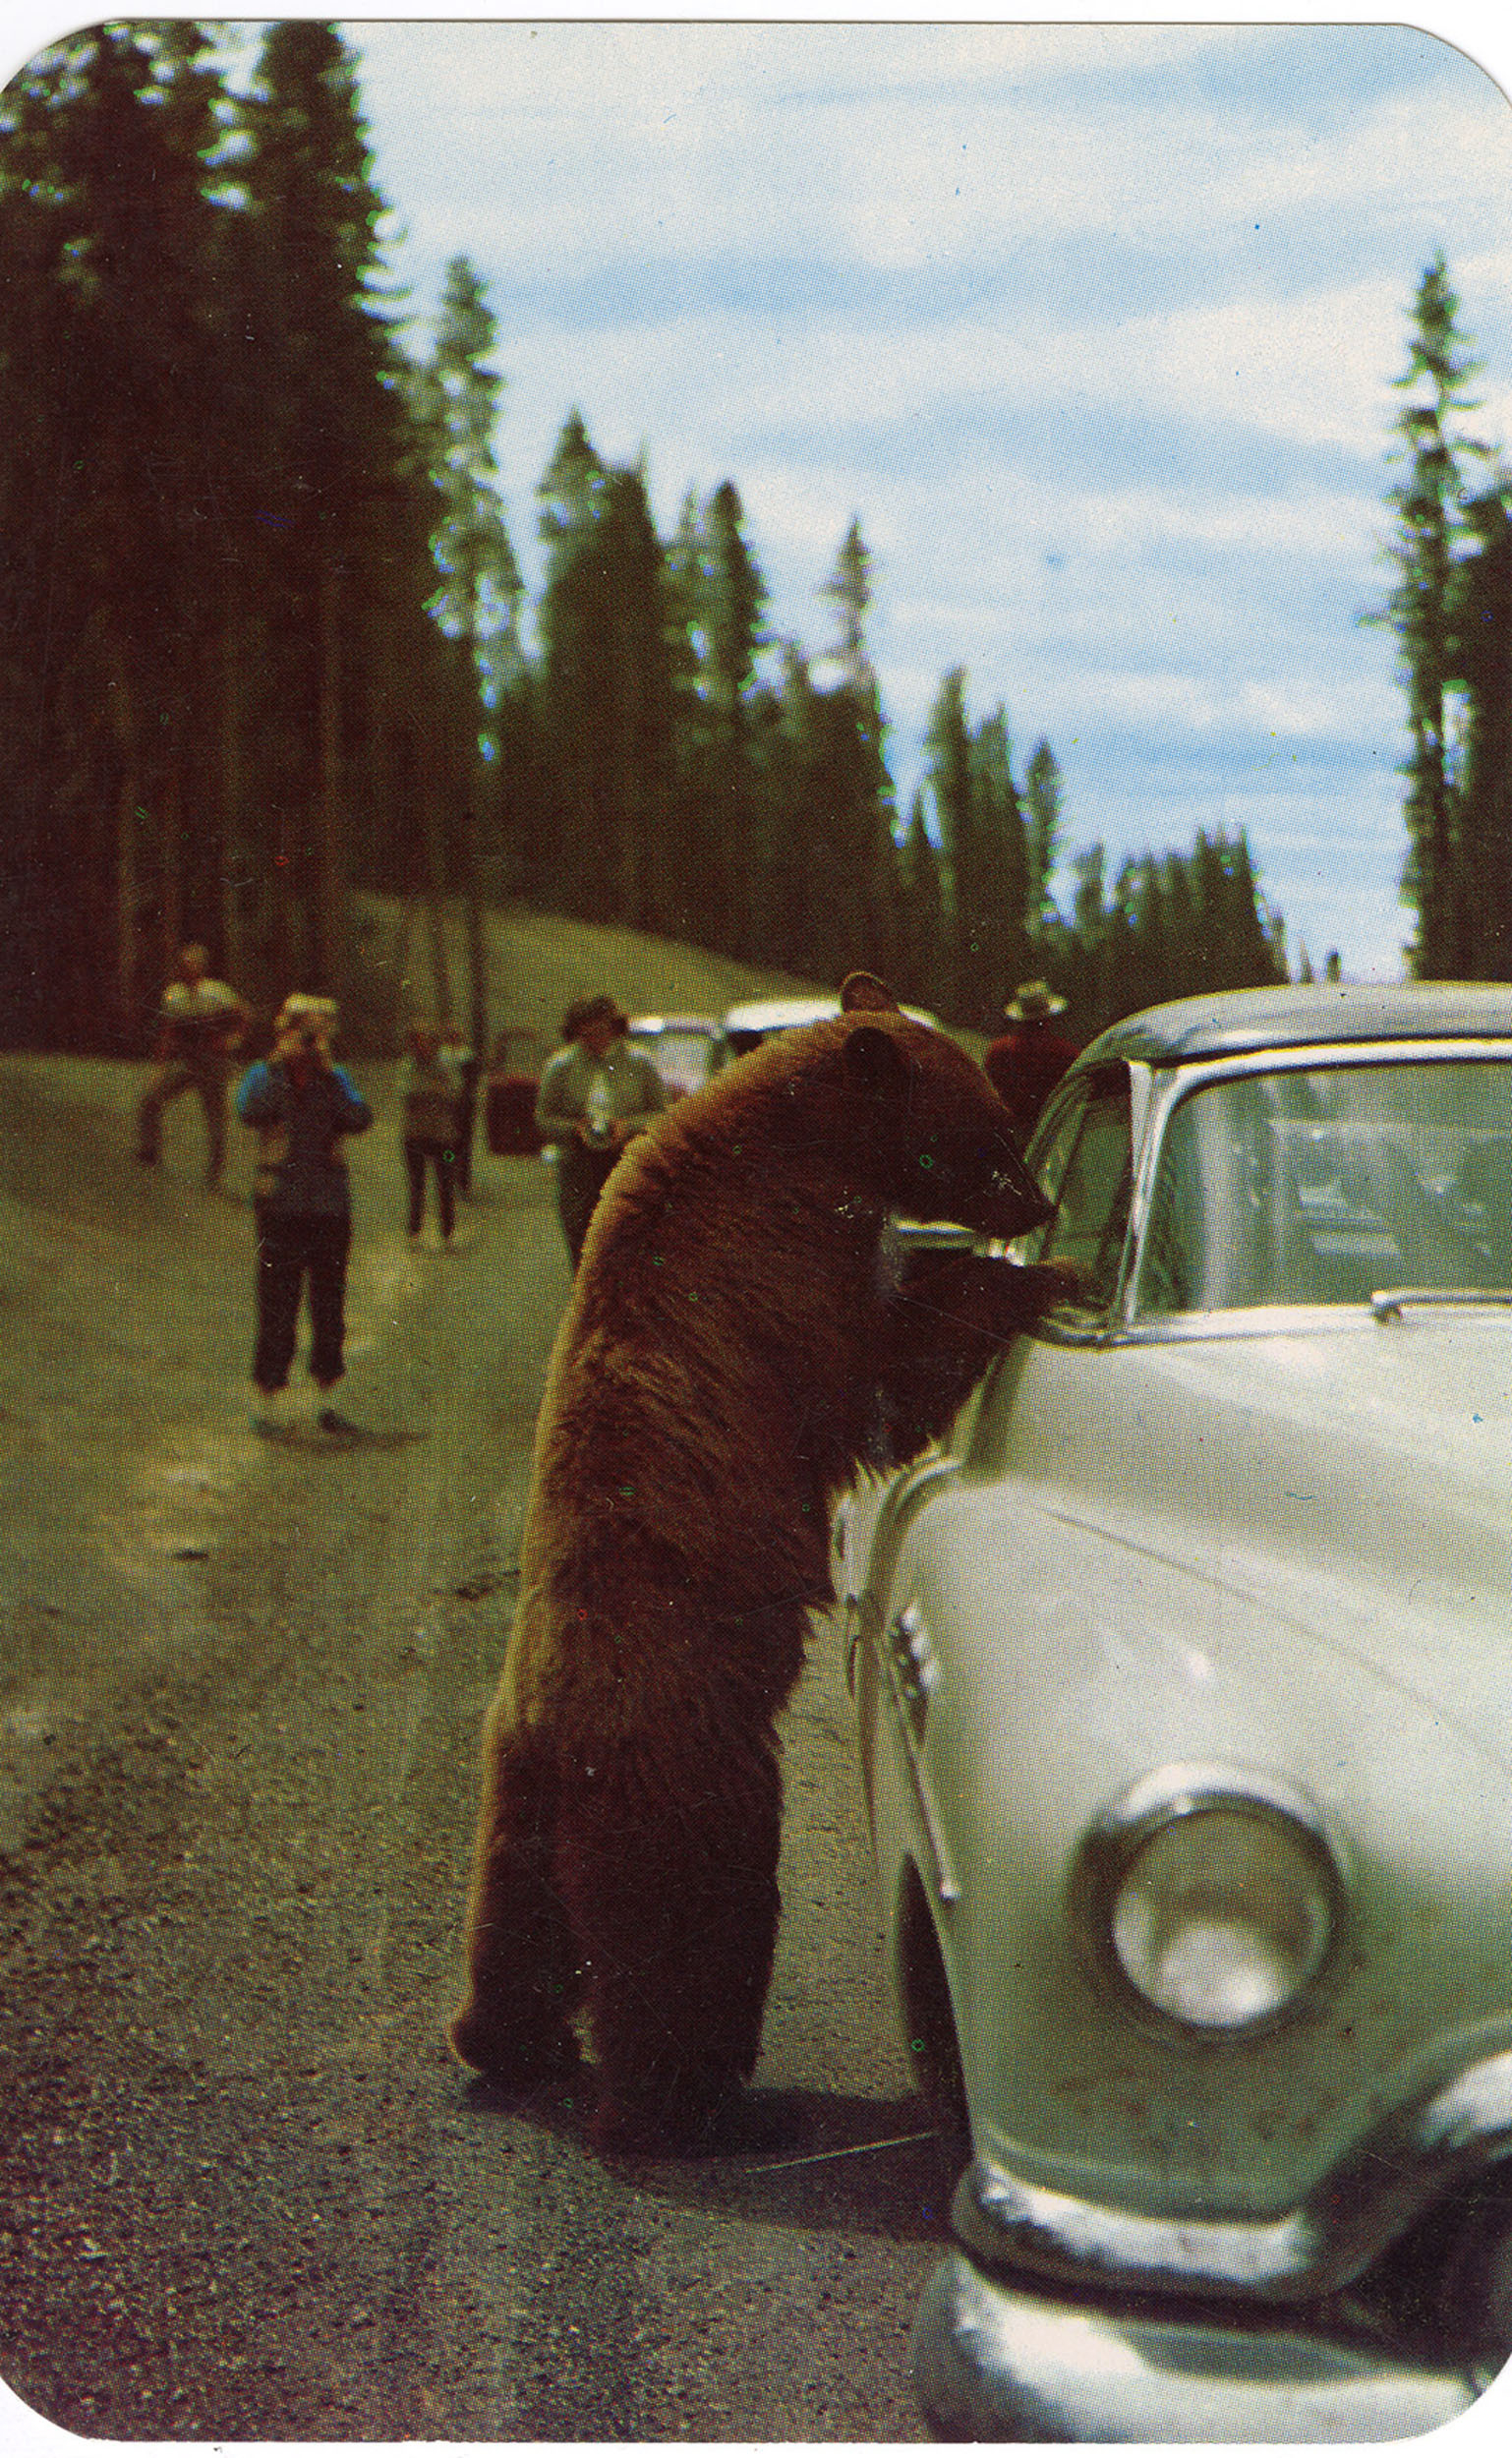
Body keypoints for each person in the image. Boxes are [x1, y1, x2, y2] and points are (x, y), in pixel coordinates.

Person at [234, 995, 374, 1436]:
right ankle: (268, 1400)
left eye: (320, 1032)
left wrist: (329, 1071)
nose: (313, 1041)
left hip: (329, 1205)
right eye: (304, 1032)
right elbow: (250, 1111)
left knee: (329, 1305)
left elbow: (359, 1118)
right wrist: (280, 1066)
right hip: (280, 1203)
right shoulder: (264, 1075)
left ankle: (326, 1400)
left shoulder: (336, 1078)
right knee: (277, 1303)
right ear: (284, 1030)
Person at [536, 994, 667, 1269]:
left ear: (615, 1028)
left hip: (628, 1163)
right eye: (586, 1033)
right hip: (577, 1165)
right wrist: (574, 1129)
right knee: (582, 1241)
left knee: (627, 1241)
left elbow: (662, 1115)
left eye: (601, 1030)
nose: (595, 1039)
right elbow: (543, 1119)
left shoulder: (640, 1064)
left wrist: (628, 1127)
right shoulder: (560, 1066)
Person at [136, 942, 250, 1189]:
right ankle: (150, 1150)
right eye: (183, 965)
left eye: (191, 965)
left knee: (215, 1117)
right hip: (189, 1060)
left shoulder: (217, 992)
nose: (186, 970)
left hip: (214, 1060)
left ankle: (214, 1174)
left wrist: (233, 1040)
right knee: (151, 1099)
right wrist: (160, 1066)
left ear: (201, 968)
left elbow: (243, 1014)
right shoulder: (174, 994)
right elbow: (168, 1033)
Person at [984, 980, 1080, 1145]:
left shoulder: (998, 1051)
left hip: (1007, 1135)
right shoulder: (1066, 1053)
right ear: (1049, 1017)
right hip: (1050, 1136)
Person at [397, 1021, 465, 1251]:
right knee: (417, 1185)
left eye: (428, 1041)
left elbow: (455, 1090)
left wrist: (432, 1089)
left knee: (446, 1185)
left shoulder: (446, 1063)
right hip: (415, 1136)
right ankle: (414, 1232)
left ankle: (448, 1232)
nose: (424, 1046)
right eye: (419, 1042)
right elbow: (407, 1091)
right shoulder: (408, 1065)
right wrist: (435, 1088)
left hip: (444, 1138)